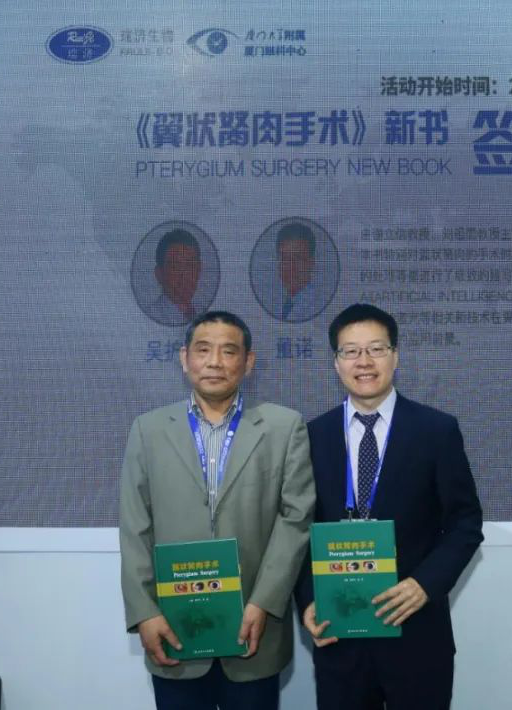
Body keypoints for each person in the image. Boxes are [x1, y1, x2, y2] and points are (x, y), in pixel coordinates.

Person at [120, 310, 315, 710]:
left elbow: (296, 520)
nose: (214, 362)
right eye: (203, 350)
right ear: (184, 358)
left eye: (228, 351)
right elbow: (135, 526)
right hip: (174, 627)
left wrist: (264, 602)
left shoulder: (284, 427)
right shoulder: (148, 430)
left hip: (253, 627)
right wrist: (145, 612)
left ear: (248, 362)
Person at [295, 303, 484, 710]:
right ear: (336, 363)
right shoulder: (312, 436)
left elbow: (465, 522)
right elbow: (299, 529)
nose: (364, 361)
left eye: (376, 349)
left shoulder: (436, 430)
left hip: (416, 633)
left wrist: (424, 585)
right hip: (339, 634)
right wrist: (309, 599)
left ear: (395, 356)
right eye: (351, 351)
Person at [273, 221, 323, 322]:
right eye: (285, 258)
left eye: (298, 258)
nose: (290, 267)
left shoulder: (317, 304)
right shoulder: (281, 304)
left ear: (311, 263)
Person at [151, 228, 203, 326]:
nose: (185, 276)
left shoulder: (204, 313)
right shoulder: (152, 317)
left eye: (190, 266)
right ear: (159, 274)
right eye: (175, 267)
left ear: (199, 269)